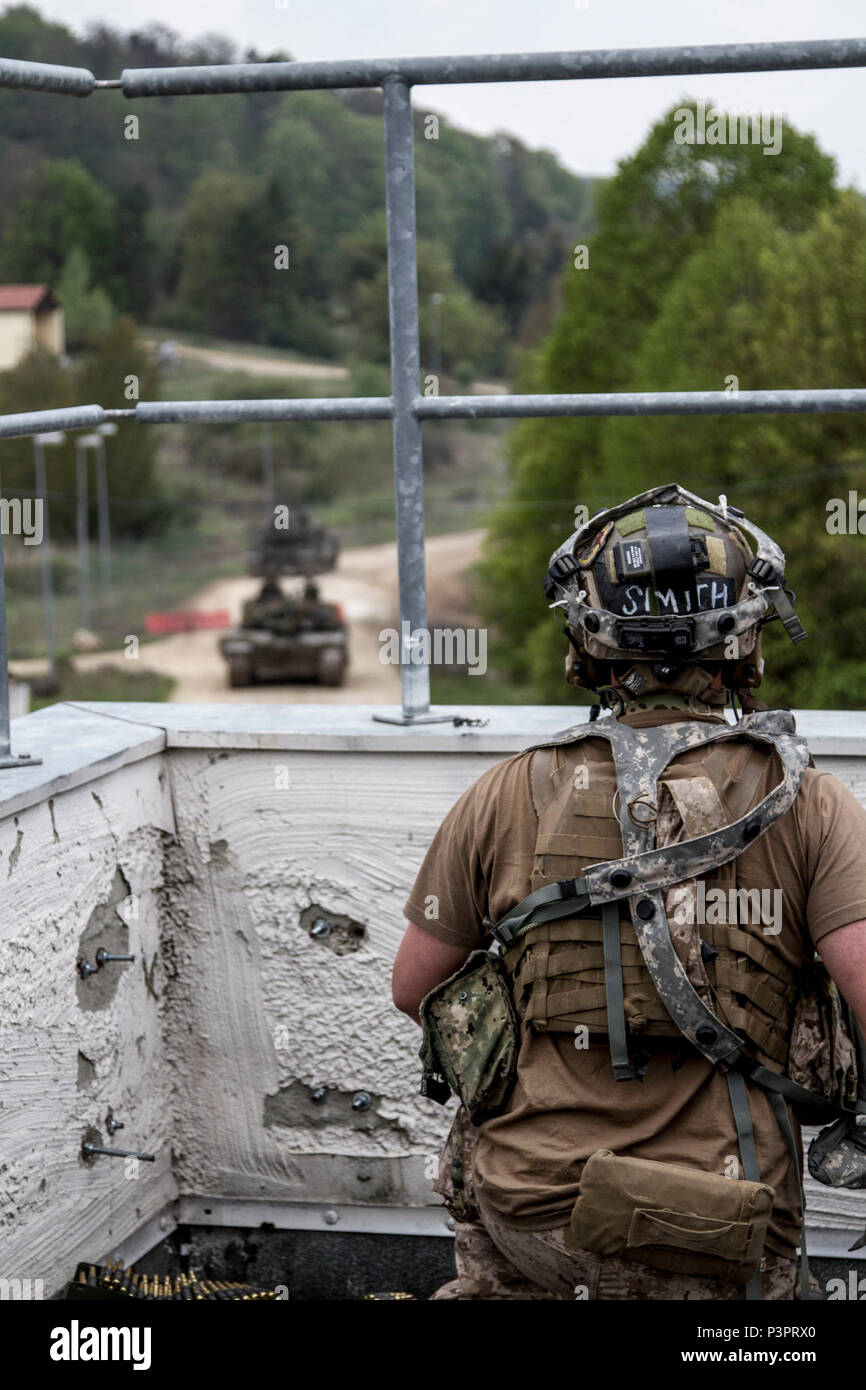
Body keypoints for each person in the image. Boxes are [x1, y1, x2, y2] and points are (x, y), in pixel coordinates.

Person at [392, 484, 866, 1301]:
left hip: (528, 1207)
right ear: (745, 643)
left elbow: (415, 988)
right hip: (712, 1225)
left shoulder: (505, 791)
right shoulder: (810, 803)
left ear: (587, 643)